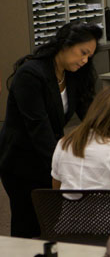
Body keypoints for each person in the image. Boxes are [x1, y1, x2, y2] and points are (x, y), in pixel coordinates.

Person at [0, 22, 102, 238]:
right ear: (65, 44)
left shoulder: (73, 74)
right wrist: (65, 165)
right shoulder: (31, 75)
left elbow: (91, 115)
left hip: (51, 157)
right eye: (83, 53)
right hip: (22, 161)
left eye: (89, 56)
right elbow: (38, 129)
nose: (85, 60)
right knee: (28, 225)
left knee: (50, 224)